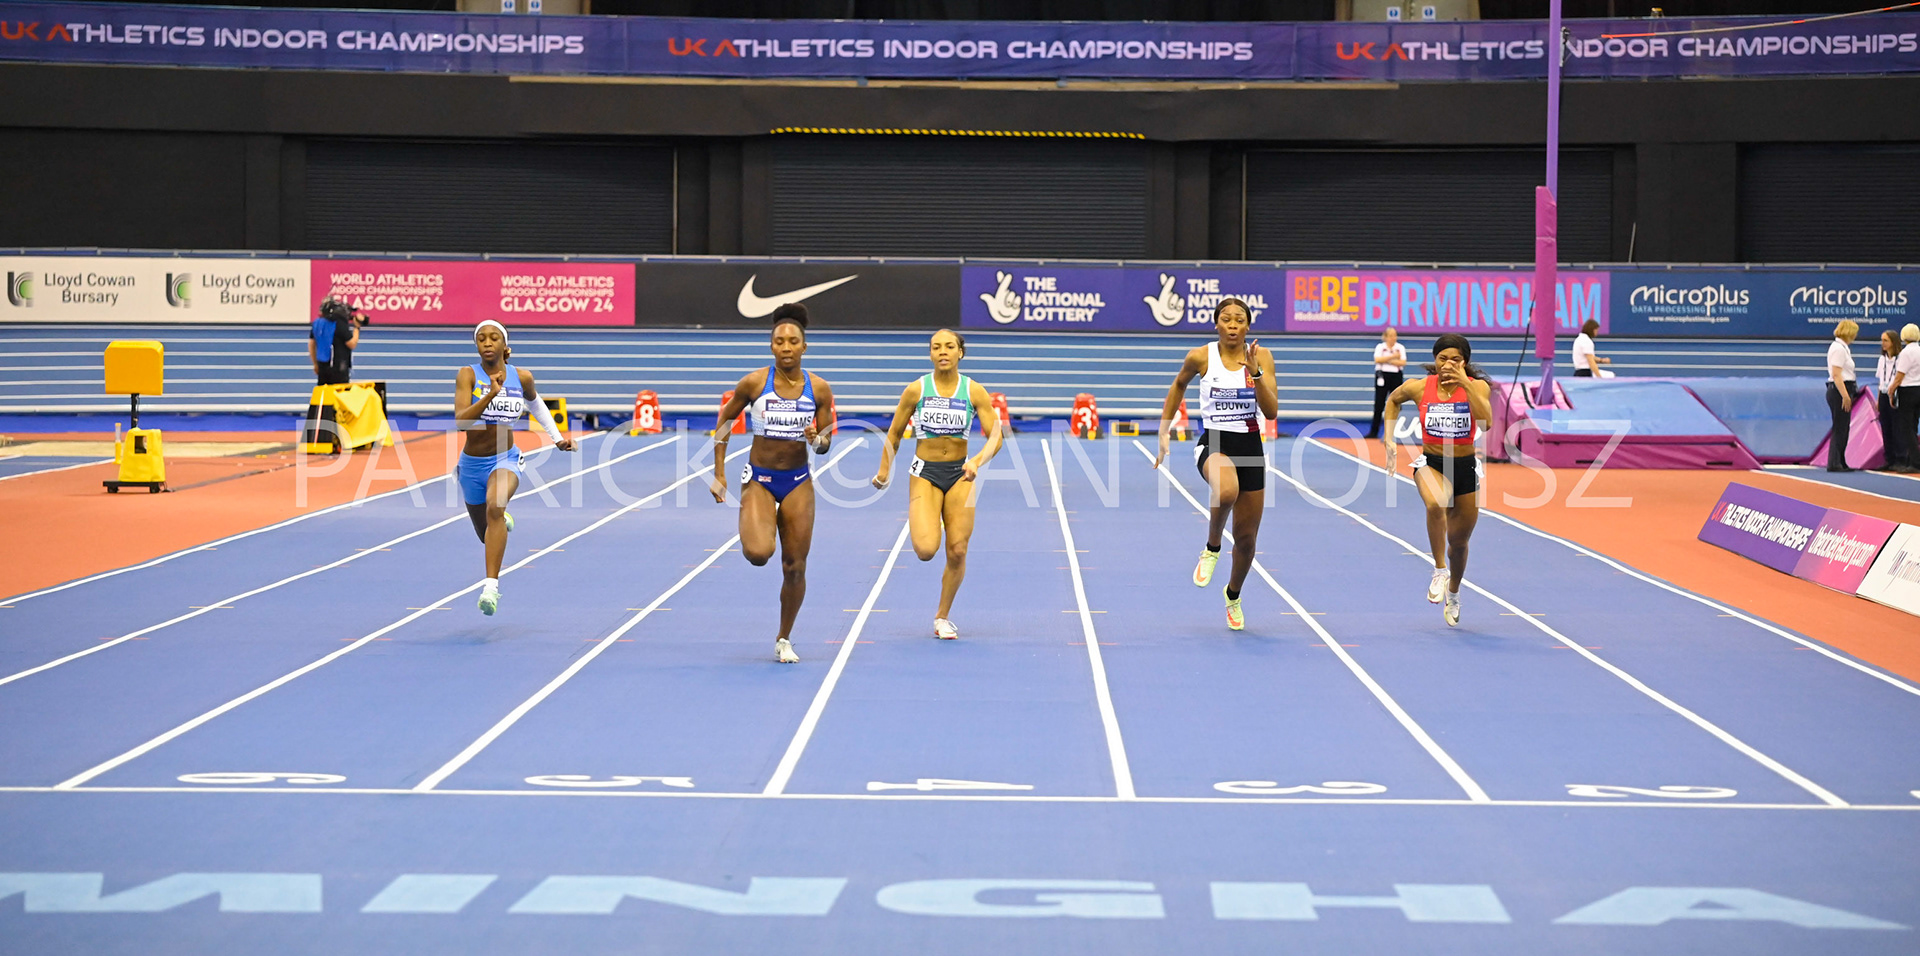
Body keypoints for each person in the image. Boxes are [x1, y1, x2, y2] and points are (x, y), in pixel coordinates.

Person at [709, 304, 837, 664]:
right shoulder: (753, 383)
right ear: (771, 346)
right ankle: (756, 522)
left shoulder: (820, 389)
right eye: (779, 341)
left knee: (794, 566)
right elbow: (724, 422)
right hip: (760, 479)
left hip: (797, 480)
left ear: (804, 347)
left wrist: (816, 439)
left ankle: (784, 637)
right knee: (758, 554)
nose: (786, 347)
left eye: (793, 341)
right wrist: (719, 473)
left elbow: (826, 445)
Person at [1152, 298, 1279, 632]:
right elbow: (1178, 384)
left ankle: (1233, 595)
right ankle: (1211, 548)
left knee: (1248, 539)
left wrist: (1256, 373)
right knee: (1226, 491)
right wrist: (1164, 431)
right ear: (1216, 324)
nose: (1233, 325)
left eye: (1240, 319)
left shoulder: (1261, 357)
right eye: (1226, 319)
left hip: (1250, 444)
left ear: (1248, 326)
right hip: (1216, 441)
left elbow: (1272, 412)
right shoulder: (1200, 357)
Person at [872, 329, 1006, 640]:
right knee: (926, 550)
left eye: (949, 346)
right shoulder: (916, 390)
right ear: (930, 354)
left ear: (961, 353)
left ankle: (942, 616)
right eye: (936, 347)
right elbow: (893, 434)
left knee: (957, 550)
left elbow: (996, 437)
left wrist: (976, 462)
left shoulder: (974, 391)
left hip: (961, 474)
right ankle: (929, 516)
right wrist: (883, 471)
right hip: (925, 473)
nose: (942, 351)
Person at [454, 319, 575, 615]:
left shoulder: (521, 377)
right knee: (485, 534)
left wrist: (557, 438)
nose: (486, 342)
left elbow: (536, 405)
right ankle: (499, 517)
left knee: (494, 507)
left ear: (504, 346)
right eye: (481, 338)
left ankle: (491, 589)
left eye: (493, 338)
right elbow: (461, 421)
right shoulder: (467, 375)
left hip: (505, 458)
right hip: (471, 464)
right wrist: (490, 395)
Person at [1382, 334, 1493, 628]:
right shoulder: (1420, 387)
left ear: (1464, 362)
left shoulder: (1477, 386)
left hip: (1465, 466)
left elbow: (1487, 421)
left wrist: (1465, 382)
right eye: (1442, 359)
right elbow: (1393, 400)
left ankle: (1454, 591)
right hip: (1432, 463)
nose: (1447, 365)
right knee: (1435, 502)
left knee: (1459, 543)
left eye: (1454, 359)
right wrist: (1389, 438)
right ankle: (1439, 569)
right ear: (1435, 361)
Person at [1825, 320, 1861, 473]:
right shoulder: (1839, 349)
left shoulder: (1843, 348)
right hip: (1840, 390)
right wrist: (1845, 396)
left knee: (1843, 428)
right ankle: (1834, 462)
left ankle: (1840, 460)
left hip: (1843, 389)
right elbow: (1836, 374)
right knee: (1840, 427)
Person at [1890, 323, 1920, 474]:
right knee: (1914, 426)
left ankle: (1915, 462)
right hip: (1919, 389)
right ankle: (1912, 459)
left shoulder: (1906, 353)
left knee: (1907, 428)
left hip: (1907, 391)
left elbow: (1899, 376)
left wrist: (1891, 391)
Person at [1367, 328, 1408, 439]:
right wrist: (1393, 357)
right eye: (1390, 336)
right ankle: (1374, 432)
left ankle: (1396, 432)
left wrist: (1387, 360)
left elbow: (1403, 362)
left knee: (1397, 403)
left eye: (1395, 335)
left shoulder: (1400, 347)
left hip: (1396, 376)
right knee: (1379, 404)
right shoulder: (1380, 347)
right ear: (1385, 337)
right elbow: (1377, 360)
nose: (1393, 338)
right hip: (1382, 375)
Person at [308, 297, 358, 386]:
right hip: (338, 366)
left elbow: (311, 344)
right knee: (339, 394)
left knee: (323, 393)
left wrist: (315, 364)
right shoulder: (339, 324)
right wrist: (357, 327)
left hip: (322, 364)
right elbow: (352, 344)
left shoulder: (317, 323)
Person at [1876, 330, 1902, 472]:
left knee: (1896, 428)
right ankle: (1889, 459)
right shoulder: (1882, 360)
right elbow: (1881, 382)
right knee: (1885, 428)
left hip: (1896, 395)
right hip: (1885, 395)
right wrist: (1879, 400)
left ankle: (1900, 459)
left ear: (1893, 342)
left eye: (1885, 340)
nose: (1883, 343)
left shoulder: (1900, 359)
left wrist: (1892, 393)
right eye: (1882, 340)